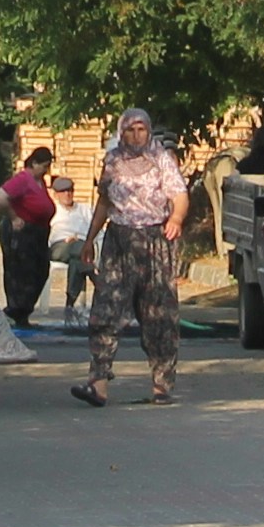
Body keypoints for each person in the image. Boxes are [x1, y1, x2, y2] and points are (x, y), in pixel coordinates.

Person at [75, 106, 190, 408]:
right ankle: (98, 384)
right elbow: (104, 201)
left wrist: (176, 218)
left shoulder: (162, 159)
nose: (136, 135)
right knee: (106, 312)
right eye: (130, 130)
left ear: (149, 131)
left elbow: (179, 195)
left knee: (159, 315)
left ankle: (162, 385)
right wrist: (89, 239)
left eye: (141, 129)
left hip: (154, 241)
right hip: (119, 242)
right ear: (121, 132)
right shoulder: (113, 160)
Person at [0, 148, 59, 326]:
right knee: (20, 272)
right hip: (22, 231)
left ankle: (23, 312)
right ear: (34, 163)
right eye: (44, 166)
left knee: (40, 271)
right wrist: (14, 218)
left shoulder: (38, 181)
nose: (47, 170)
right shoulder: (23, 179)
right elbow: (0, 197)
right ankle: (14, 311)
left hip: (38, 232)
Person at [53, 178, 97, 326]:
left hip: (83, 247)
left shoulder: (84, 210)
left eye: (70, 191)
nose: (67, 194)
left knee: (77, 259)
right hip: (60, 246)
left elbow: (97, 231)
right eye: (63, 192)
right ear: (56, 194)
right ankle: (99, 282)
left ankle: (69, 306)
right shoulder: (53, 210)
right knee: (79, 252)